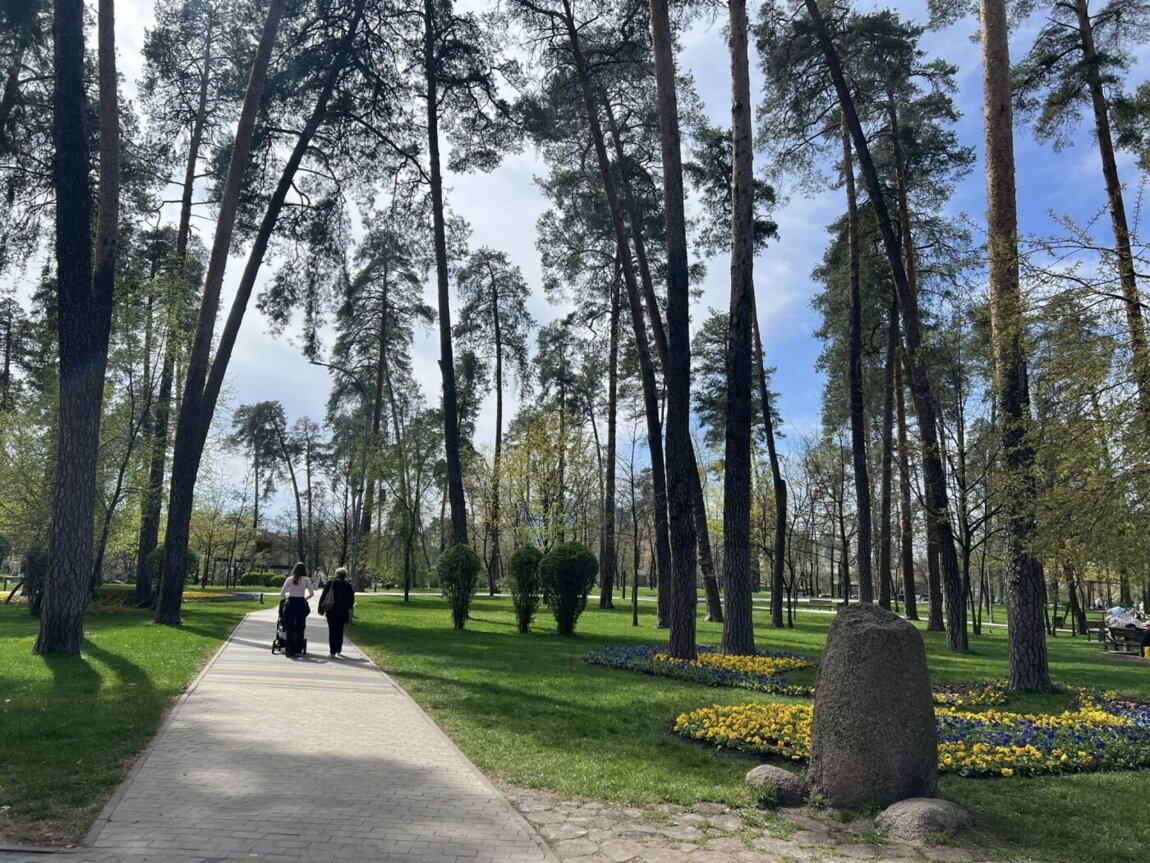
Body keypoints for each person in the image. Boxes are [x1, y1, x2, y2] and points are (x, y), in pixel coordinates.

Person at [279, 562, 314, 657]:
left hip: (290, 604)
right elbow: (311, 593)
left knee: (289, 629)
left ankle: (289, 650)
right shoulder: (306, 579)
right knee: (299, 627)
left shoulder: (289, 579)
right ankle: (298, 648)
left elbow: (282, 593)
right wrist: (305, 599)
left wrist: (287, 599)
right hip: (300, 604)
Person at [320, 566, 356, 657]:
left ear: (336, 574)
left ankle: (332, 651)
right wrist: (349, 607)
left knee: (332, 630)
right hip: (342, 611)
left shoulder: (331, 583)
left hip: (331, 610)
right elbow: (351, 599)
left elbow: (324, 595)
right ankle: (338, 649)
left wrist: (321, 608)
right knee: (340, 630)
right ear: (345, 575)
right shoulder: (347, 585)